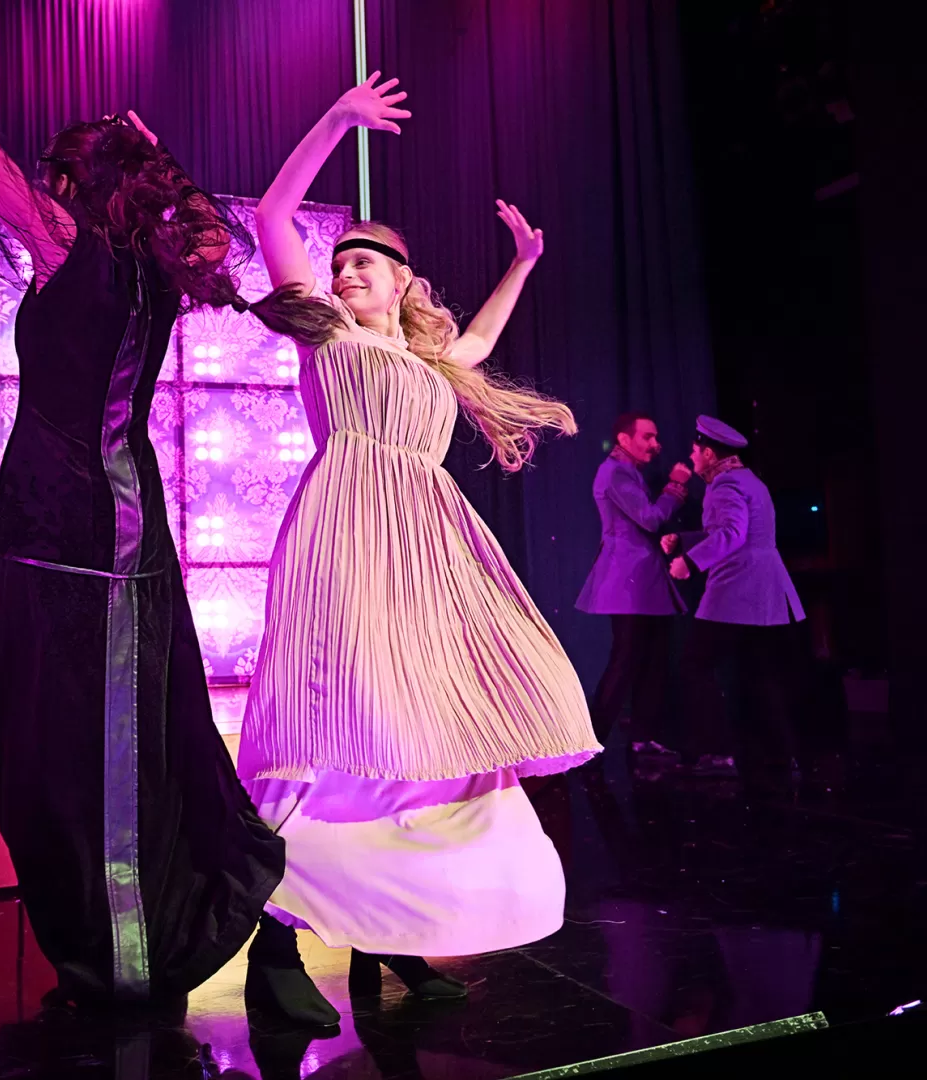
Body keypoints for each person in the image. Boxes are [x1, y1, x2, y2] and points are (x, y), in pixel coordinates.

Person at [231, 73, 601, 1024]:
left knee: (438, 730)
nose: (346, 273)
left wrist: (523, 263)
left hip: (429, 542)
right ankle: (276, 937)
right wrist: (334, 120)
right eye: (340, 263)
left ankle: (391, 935)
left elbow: (477, 336)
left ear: (403, 285)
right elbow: (274, 214)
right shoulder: (325, 336)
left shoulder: (431, 361)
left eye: (365, 266)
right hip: (350, 530)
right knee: (350, 719)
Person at [0, 76, 283, 1006]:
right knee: (132, 728)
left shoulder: (64, 243)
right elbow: (211, 231)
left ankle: (112, 949)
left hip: (53, 519)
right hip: (128, 519)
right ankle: (133, 939)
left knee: (61, 737)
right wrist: (162, 162)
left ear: (70, 184)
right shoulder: (167, 267)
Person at [663, 417, 806, 786]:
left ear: (709, 453)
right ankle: (782, 755)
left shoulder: (725, 485)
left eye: (696, 451)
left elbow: (731, 533)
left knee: (695, 664)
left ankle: (717, 752)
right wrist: (683, 540)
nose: (692, 457)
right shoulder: (747, 480)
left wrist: (688, 563)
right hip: (764, 593)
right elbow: (734, 532)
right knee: (760, 673)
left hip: (737, 590)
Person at [576, 413, 691, 758]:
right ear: (625, 440)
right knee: (625, 660)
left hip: (644, 579)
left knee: (653, 661)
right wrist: (675, 487)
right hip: (629, 582)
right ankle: (591, 742)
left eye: (656, 438)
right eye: (648, 437)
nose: (656, 445)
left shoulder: (628, 472)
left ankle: (644, 738)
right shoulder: (614, 472)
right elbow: (651, 519)